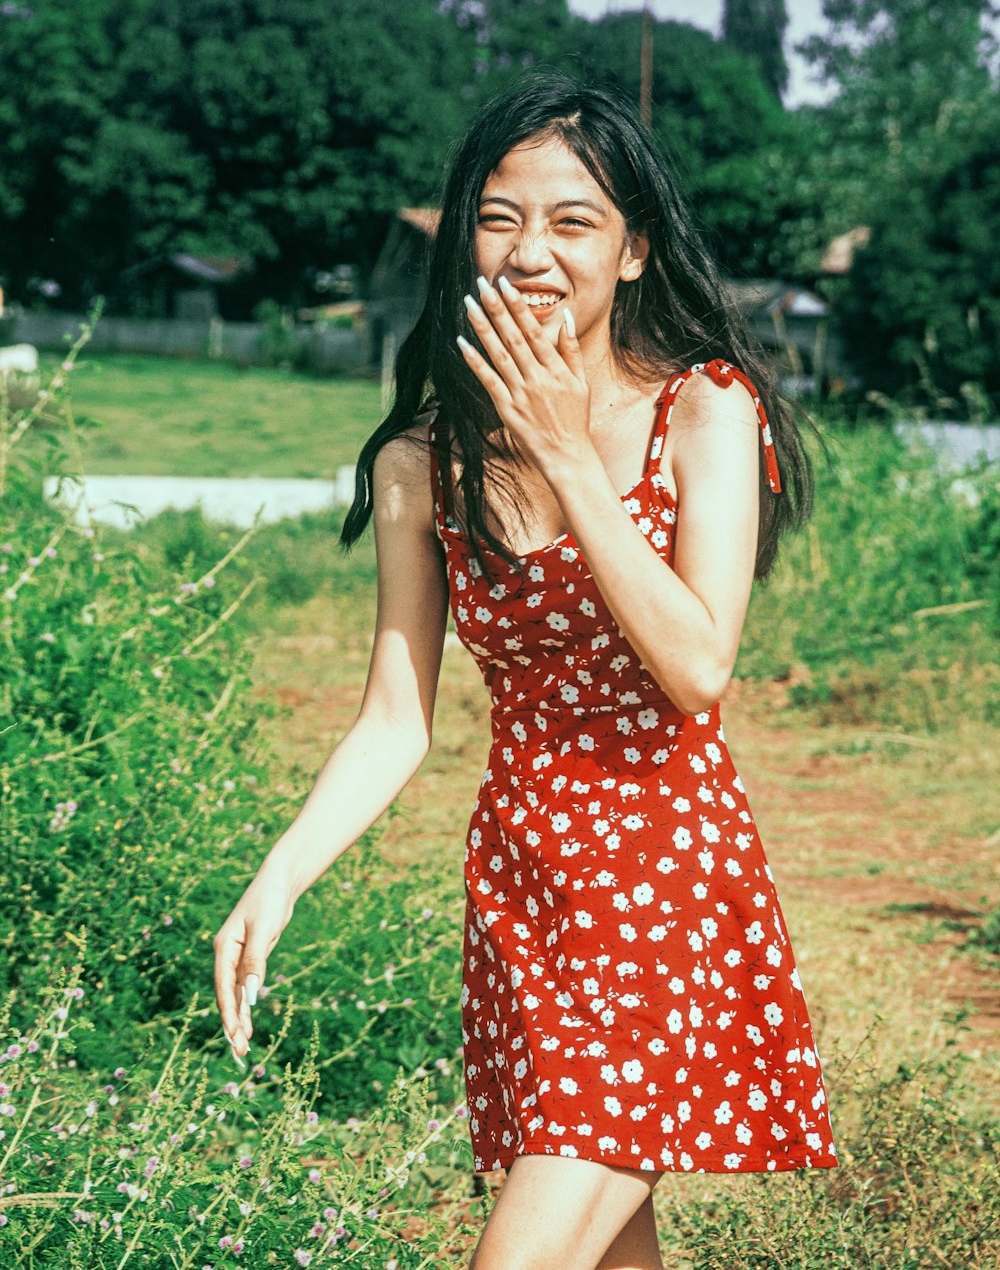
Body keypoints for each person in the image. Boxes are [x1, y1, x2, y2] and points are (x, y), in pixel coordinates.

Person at [214, 72, 838, 1270]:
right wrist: (280, 877)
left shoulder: (705, 410)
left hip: (663, 889)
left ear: (636, 250)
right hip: (521, 889)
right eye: (499, 219)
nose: (529, 253)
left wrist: (564, 451)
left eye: (573, 222)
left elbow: (698, 664)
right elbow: (398, 714)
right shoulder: (422, 459)